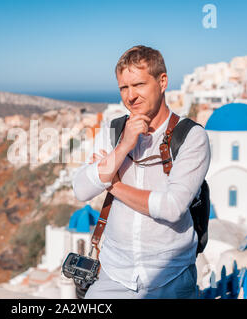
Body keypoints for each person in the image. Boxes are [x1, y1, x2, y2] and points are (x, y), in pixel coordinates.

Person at [72, 45, 211, 299]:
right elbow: (81, 189)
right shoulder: (114, 131)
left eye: (139, 85)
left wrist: (111, 184)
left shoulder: (191, 137)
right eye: (124, 88)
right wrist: (124, 145)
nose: (130, 96)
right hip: (114, 274)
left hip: (171, 277)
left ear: (162, 81)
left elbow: (171, 207)